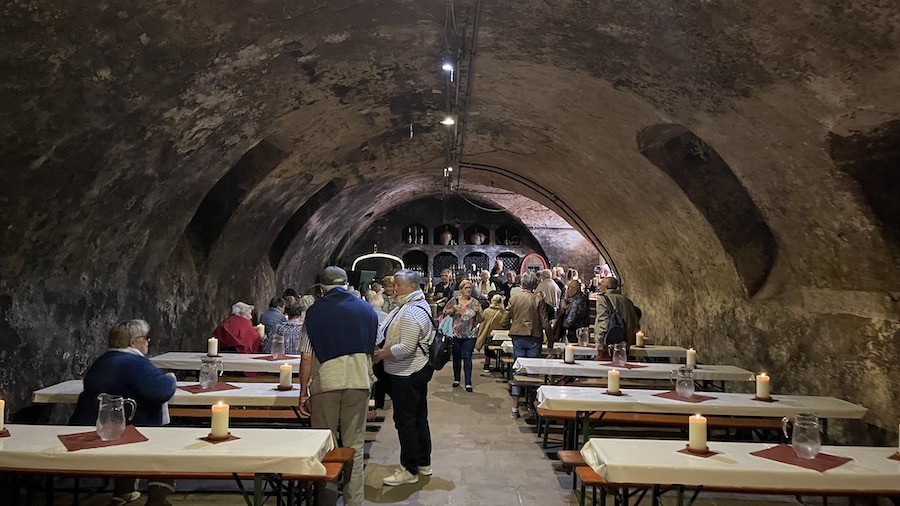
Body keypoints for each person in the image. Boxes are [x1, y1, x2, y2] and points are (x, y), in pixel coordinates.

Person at [70, 319, 177, 506]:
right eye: (145, 338)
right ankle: (156, 498)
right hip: (126, 429)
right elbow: (160, 390)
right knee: (165, 443)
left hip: (90, 427)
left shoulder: (101, 361)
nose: (147, 342)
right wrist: (171, 379)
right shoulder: (134, 363)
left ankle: (124, 491)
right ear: (133, 342)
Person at [297, 267, 376, 506]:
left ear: (322, 287)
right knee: (355, 444)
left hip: (327, 384)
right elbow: (374, 347)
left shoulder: (314, 312)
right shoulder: (366, 309)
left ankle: (327, 500)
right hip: (359, 380)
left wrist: (302, 394)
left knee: (325, 445)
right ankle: (354, 501)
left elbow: (307, 357)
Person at [374, 269, 434, 486]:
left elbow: (406, 348)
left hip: (406, 373)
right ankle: (423, 463)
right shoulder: (416, 305)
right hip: (415, 370)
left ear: (411, 287)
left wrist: (382, 354)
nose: (394, 289)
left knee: (405, 422)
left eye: (398, 285)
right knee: (419, 418)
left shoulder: (410, 311)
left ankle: (409, 469)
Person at [501, 271, 551, 417]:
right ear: (535, 284)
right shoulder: (538, 300)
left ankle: (515, 407)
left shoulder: (514, 299)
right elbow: (545, 323)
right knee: (533, 372)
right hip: (534, 337)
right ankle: (530, 405)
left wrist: (511, 325)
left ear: (522, 284)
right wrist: (551, 339)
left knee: (518, 369)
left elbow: (504, 321)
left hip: (517, 337)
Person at [443, 279, 484, 392]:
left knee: (467, 356)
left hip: (470, 334)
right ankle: (456, 379)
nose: (468, 290)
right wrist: (452, 309)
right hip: (456, 333)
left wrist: (478, 312)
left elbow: (481, 319)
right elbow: (444, 312)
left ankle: (468, 382)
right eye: (466, 288)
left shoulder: (475, 302)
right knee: (456, 356)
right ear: (461, 289)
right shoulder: (454, 300)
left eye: (470, 288)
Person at [594, 277, 640, 347]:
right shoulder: (627, 301)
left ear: (606, 287)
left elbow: (603, 322)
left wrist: (599, 341)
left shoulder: (602, 300)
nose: (599, 287)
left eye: (601, 285)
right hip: (625, 342)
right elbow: (635, 322)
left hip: (609, 342)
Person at [475, 294, 508, 372]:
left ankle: (487, 363)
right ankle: (502, 363)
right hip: (502, 338)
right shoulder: (503, 312)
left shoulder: (487, 311)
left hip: (490, 337)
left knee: (487, 344)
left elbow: (483, 325)